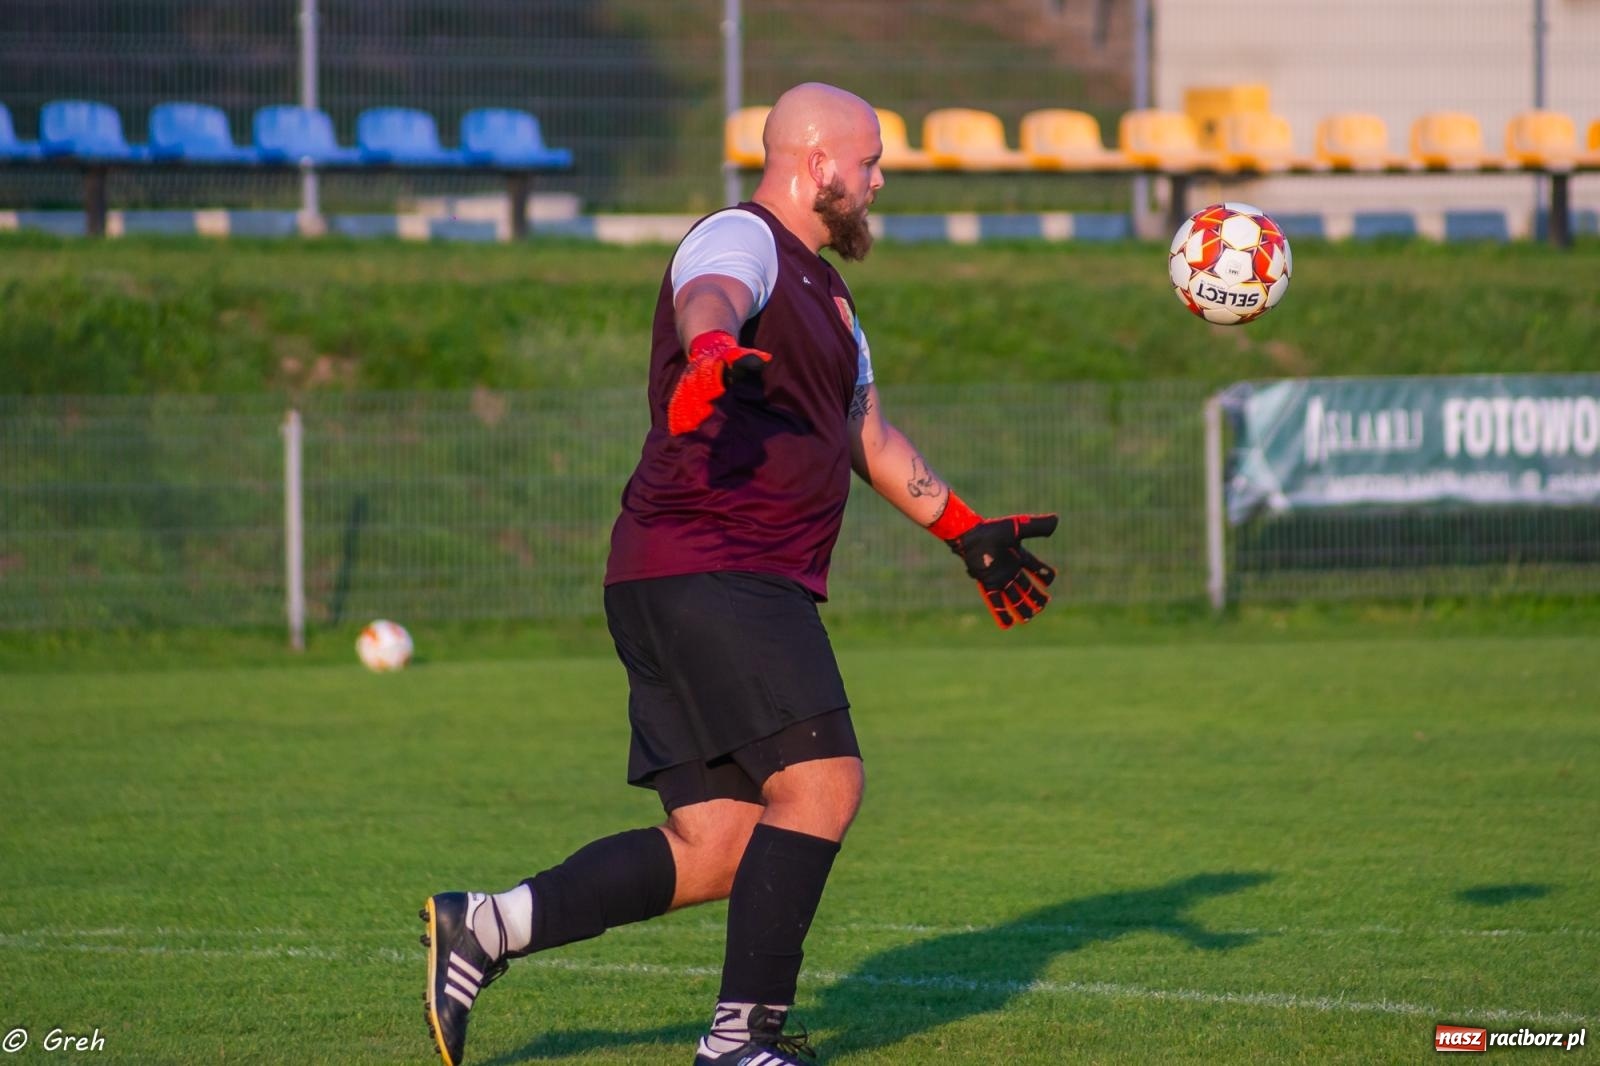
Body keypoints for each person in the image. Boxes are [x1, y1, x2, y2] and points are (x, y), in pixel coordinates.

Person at [420, 81, 1058, 1066]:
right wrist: (712, 345)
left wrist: (967, 530)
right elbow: (707, 295)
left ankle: (488, 926)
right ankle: (738, 1042)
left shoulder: (834, 299)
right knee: (824, 782)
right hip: (720, 564)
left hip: (673, 572)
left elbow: (870, 438)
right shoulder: (743, 239)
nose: (880, 180)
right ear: (816, 165)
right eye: (871, 161)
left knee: (717, 843)